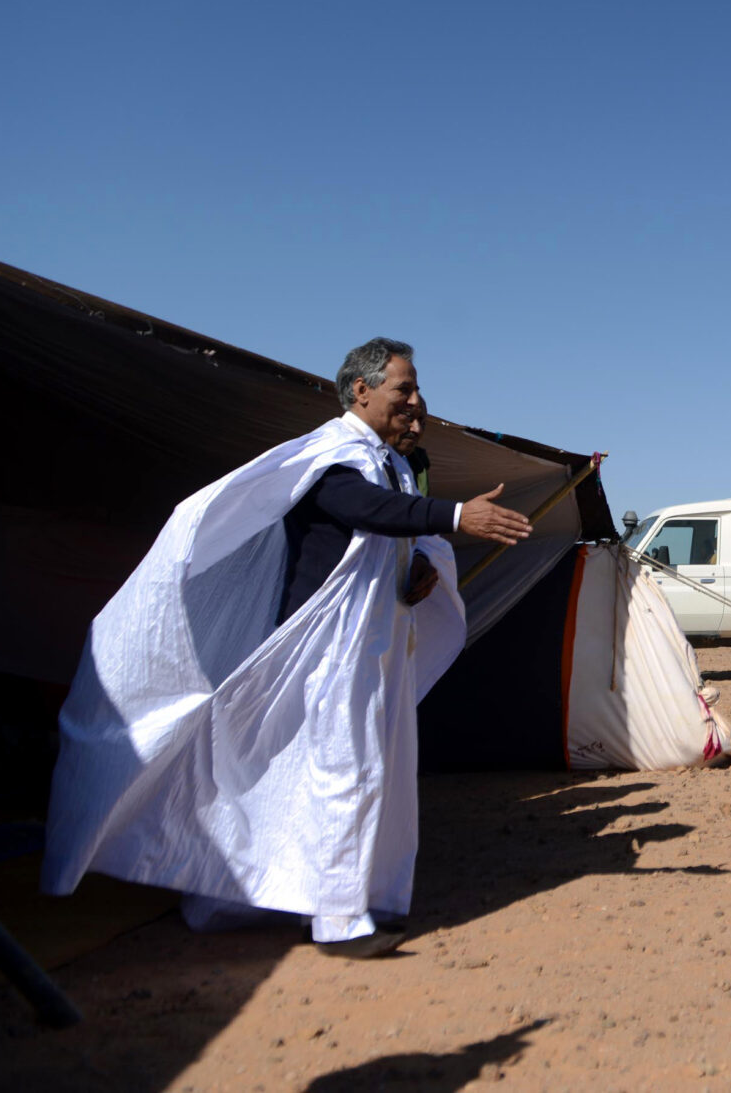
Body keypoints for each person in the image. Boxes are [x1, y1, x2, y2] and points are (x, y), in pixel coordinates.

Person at [43, 338, 532, 959]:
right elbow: (360, 508)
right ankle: (337, 921)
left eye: (416, 389)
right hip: (321, 653)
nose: (417, 401)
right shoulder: (332, 455)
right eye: (402, 389)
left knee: (365, 773)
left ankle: (343, 895)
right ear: (361, 391)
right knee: (340, 772)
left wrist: (412, 575)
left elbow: (380, 541)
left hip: (371, 650)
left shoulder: (395, 463)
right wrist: (455, 515)